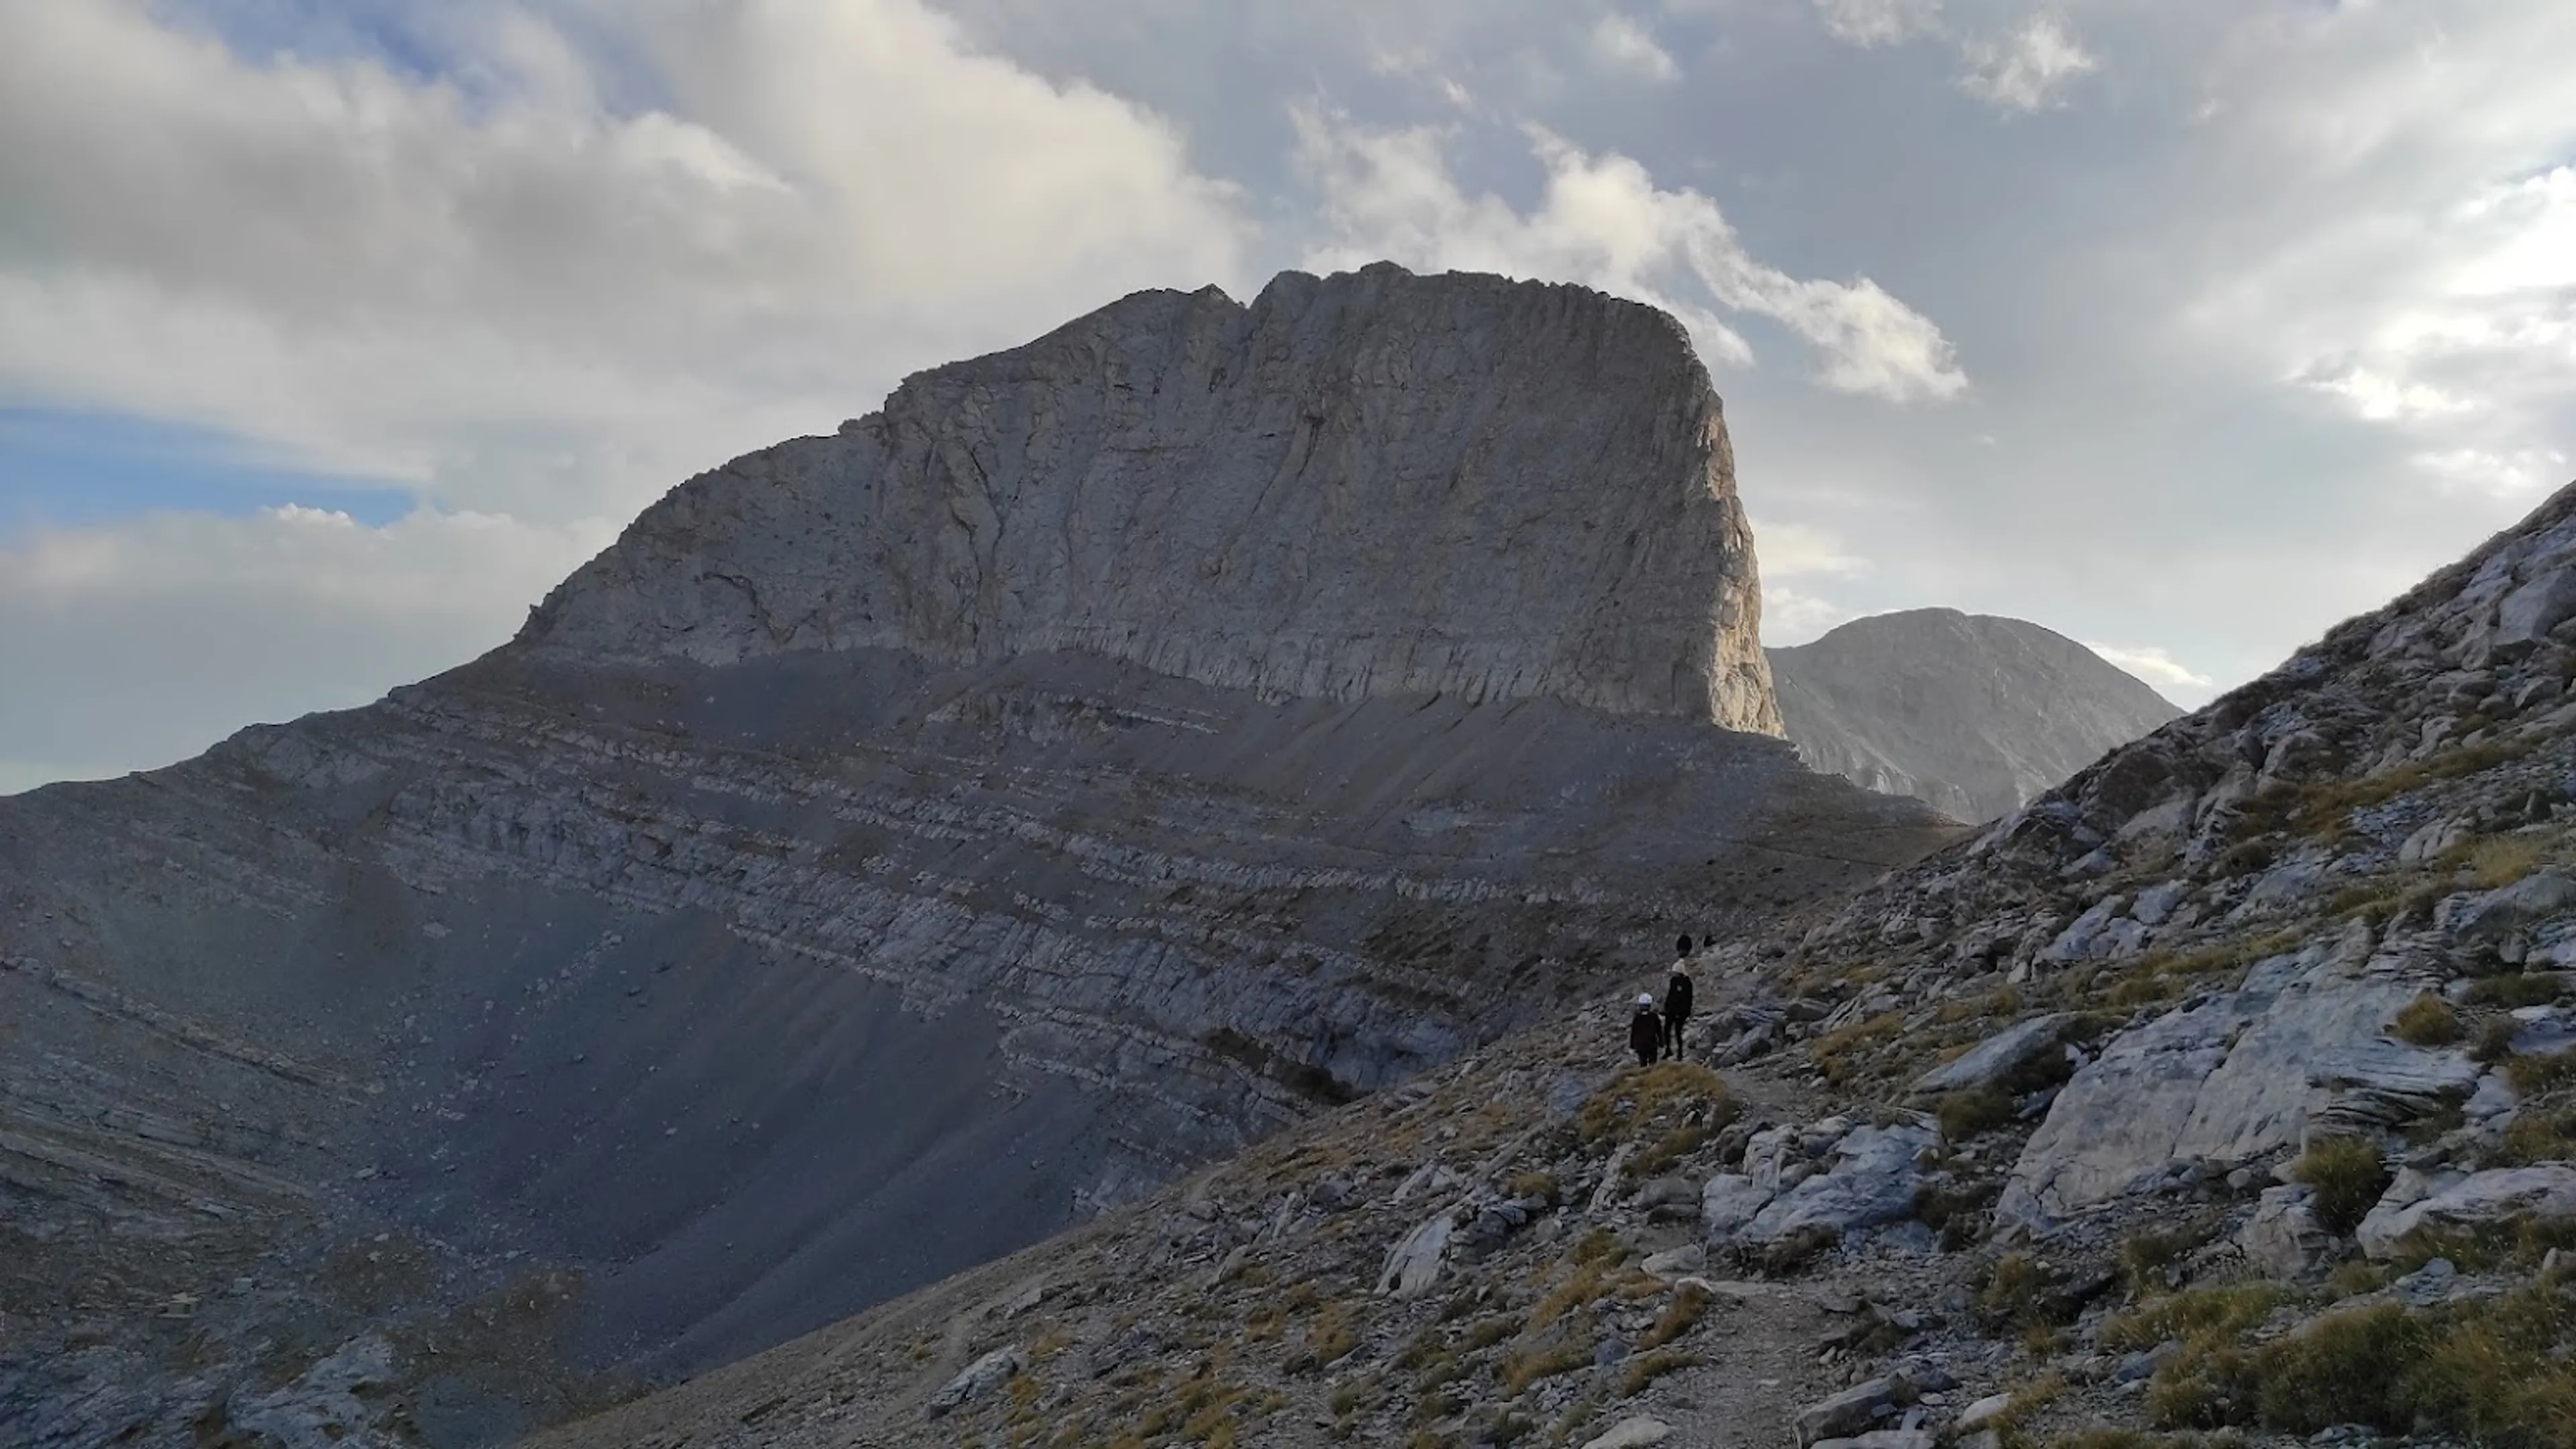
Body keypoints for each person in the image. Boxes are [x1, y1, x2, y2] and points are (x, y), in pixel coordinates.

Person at [1664, 943, 1695, 1059]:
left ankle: (1680, 1052)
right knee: (1667, 1030)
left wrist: (1682, 1012)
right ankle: (1668, 1049)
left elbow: (1687, 1000)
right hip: (1671, 1010)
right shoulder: (1674, 981)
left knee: (1678, 1031)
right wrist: (1667, 1007)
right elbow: (1670, 995)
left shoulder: (1686, 983)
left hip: (1680, 1012)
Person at [1628, 992, 1662, 1066]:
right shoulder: (1654, 1017)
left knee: (1643, 1064)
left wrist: (1632, 1046)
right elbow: (1659, 1031)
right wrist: (1661, 1042)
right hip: (1651, 1044)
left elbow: (1633, 1033)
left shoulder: (1637, 1018)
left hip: (1642, 1045)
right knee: (1652, 1064)